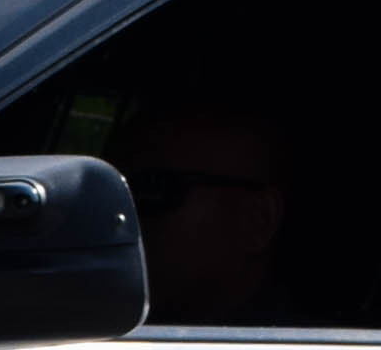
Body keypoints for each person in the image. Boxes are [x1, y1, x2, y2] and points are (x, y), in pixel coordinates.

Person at [111, 97, 292, 326]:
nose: (121, 212)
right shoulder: (97, 322)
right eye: (115, 187)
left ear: (258, 218)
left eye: (154, 189)